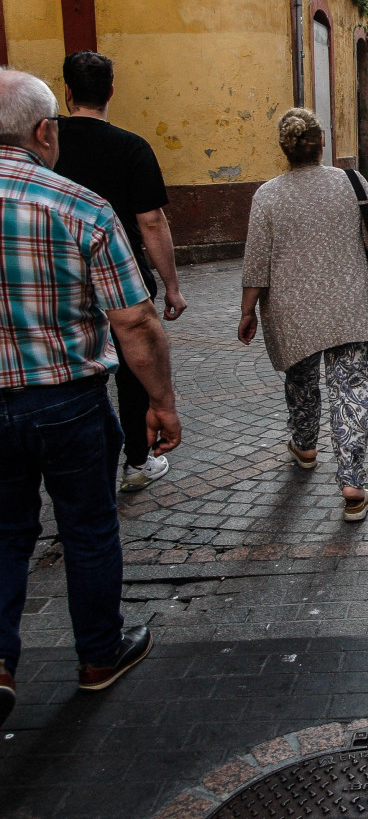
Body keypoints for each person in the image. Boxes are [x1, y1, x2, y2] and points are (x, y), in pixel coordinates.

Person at [0, 69, 182, 727]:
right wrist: (161, 401)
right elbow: (134, 321)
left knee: (3, 530)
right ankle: (99, 654)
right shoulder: (78, 205)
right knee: (87, 524)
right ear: (44, 132)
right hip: (68, 398)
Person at [238, 108, 368, 521]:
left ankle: (305, 446)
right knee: (352, 388)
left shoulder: (267, 195)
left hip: (291, 311)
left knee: (301, 380)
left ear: (283, 148)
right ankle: (353, 484)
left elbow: (256, 264)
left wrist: (247, 311)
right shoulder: (352, 183)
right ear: (322, 143)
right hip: (348, 306)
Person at [56, 51, 187, 493]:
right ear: (111, 90)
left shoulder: (44, 141)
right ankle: (136, 461)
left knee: (73, 368)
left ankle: (74, 467)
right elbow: (151, 221)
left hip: (59, 279)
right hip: (121, 277)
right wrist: (170, 286)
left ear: (67, 91)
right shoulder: (131, 146)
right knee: (134, 367)